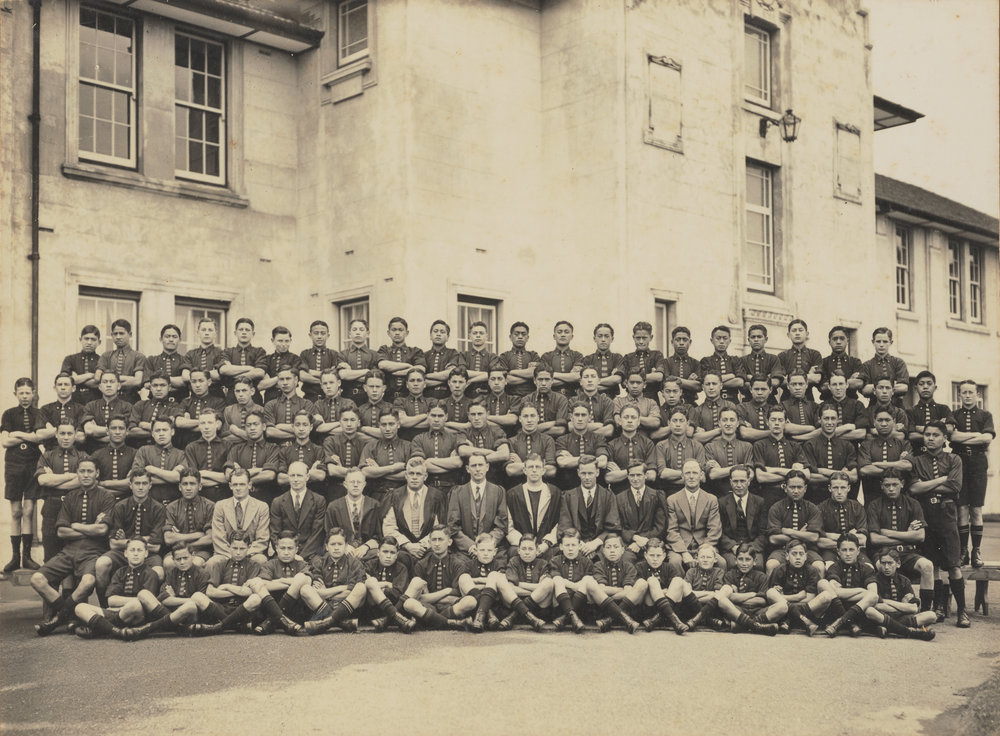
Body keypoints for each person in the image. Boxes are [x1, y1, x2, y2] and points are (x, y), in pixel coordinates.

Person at [30, 458, 115, 635]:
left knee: (88, 581)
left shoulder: (106, 496)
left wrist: (75, 526)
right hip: (68, 551)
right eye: (82, 471)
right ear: (77, 474)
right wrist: (89, 529)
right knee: (36, 579)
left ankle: (58, 619)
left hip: (93, 552)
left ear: (97, 473)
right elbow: (61, 532)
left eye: (89, 471)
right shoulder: (70, 497)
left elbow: (102, 529)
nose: (85, 475)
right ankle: (69, 616)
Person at [909, 421, 969, 627]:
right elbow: (914, 489)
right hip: (926, 514)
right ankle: (938, 607)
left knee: (953, 565)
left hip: (947, 515)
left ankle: (962, 611)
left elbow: (954, 485)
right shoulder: (917, 461)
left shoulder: (954, 459)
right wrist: (940, 480)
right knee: (932, 565)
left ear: (944, 438)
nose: (931, 438)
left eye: (936, 435)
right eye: (927, 434)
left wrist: (928, 485)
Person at [865, 470, 935, 614]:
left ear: (902, 484)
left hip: (907, 553)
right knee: (880, 567)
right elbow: (875, 539)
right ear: (881, 486)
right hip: (883, 552)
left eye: (895, 484)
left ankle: (925, 610)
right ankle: (887, 610)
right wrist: (908, 534)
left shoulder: (913, 504)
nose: (891, 488)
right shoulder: (874, 505)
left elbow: (920, 536)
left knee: (927, 566)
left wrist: (888, 532)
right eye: (887, 485)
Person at [94, 468, 166, 604]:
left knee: (159, 572)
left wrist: (127, 540)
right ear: (130, 485)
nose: (140, 487)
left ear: (150, 485)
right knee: (101, 564)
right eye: (137, 483)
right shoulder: (120, 506)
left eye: (144, 483)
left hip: (148, 554)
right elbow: (113, 544)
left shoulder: (158, 508)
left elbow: (155, 547)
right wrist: (145, 538)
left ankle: (150, 609)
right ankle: (105, 606)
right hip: (122, 553)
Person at [73, 536, 160, 640]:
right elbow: (111, 600)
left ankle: (100, 629)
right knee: (80, 607)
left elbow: (145, 603)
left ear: (146, 553)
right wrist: (119, 607)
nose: (135, 553)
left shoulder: (150, 574)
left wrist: (121, 606)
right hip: (116, 613)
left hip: (137, 615)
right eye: (132, 550)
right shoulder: (120, 572)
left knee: (135, 605)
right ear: (125, 553)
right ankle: (116, 631)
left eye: (139, 550)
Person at [397, 525, 477, 631]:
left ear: (449, 542)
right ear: (429, 543)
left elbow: (456, 595)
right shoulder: (421, 564)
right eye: (434, 540)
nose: (437, 544)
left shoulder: (458, 564)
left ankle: (433, 621)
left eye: (441, 539)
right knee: (409, 603)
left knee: (470, 601)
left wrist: (433, 597)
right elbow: (420, 597)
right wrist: (446, 591)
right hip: (427, 607)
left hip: (450, 607)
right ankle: (450, 623)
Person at [186, 530, 265, 636]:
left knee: (255, 599)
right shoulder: (220, 565)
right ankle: (236, 625)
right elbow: (210, 592)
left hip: (243, 607)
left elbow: (248, 592)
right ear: (229, 547)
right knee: (197, 596)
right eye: (234, 548)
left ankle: (218, 627)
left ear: (249, 547)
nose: (238, 552)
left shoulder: (254, 565)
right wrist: (238, 590)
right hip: (222, 608)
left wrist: (226, 586)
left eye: (242, 549)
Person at [2, 378, 45, 571]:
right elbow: (4, 441)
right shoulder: (9, 414)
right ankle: (15, 557)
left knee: (28, 511)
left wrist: (16, 434)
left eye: (28, 393)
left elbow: (39, 437)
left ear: (34, 393)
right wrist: (28, 436)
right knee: (16, 512)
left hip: (32, 464)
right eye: (21, 393)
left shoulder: (39, 413)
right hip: (13, 465)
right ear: (15, 394)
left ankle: (27, 557)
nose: (25, 396)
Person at [950, 379, 994, 568]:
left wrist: (964, 437)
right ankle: (963, 552)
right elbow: (952, 436)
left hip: (977, 463)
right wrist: (977, 437)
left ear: (978, 395)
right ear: (959, 395)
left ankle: (976, 551)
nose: (967, 396)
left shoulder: (985, 415)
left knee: (976, 509)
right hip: (958, 463)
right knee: (961, 509)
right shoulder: (954, 415)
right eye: (964, 392)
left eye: (971, 393)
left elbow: (988, 437)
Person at [34, 422, 88, 561]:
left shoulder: (83, 456)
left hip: (76, 506)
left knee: (75, 554)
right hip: (52, 507)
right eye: (62, 433)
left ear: (75, 435)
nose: (66, 437)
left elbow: (83, 481)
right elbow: (43, 481)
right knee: (50, 554)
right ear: (56, 435)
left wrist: (54, 481)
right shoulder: (47, 456)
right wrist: (69, 476)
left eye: (69, 434)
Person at [299, 527, 368, 634]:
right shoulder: (319, 563)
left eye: (340, 544)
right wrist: (342, 588)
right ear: (326, 547)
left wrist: (326, 592)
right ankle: (342, 623)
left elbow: (352, 591)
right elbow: (316, 592)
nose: (336, 548)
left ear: (346, 546)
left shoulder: (354, 563)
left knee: (361, 588)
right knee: (305, 589)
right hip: (324, 605)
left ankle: (325, 623)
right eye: (333, 544)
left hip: (347, 607)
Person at [381, 458, 447, 569]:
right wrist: (408, 545)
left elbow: (439, 528)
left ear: (425, 476)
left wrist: (422, 545)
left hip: (428, 547)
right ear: (406, 475)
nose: (414, 477)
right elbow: (389, 527)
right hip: (403, 547)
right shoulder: (395, 496)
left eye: (418, 474)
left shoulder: (436, 496)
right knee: (401, 559)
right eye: (411, 473)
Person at [664, 459, 723, 578]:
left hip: (704, 544)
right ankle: (681, 591)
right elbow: (672, 530)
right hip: (679, 547)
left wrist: (705, 548)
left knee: (721, 562)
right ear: (682, 476)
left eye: (695, 473)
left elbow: (714, 528)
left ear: (701, 475)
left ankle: (713, 590)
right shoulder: (672, 500)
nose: (691, 477)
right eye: (687, 473)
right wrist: (684, 553)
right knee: (675, 562)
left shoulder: (711, 499)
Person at [205, 468, 270, 575]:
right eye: (235, 485)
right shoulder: (220, 506)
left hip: (251, 554)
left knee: (261, 560)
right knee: (212, 563)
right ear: (230, 486)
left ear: (249, 485)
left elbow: (262, 539)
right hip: (225, 553)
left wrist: (243, 554)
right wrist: (233, 555)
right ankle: (212, 590)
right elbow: (218, 538)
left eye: (242, 484)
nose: (238, 488)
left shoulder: (261, 507)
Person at [863, 548, 937, 640]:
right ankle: (907, 631)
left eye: (890, 563)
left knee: (932, 616)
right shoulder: (874, 580)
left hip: (898, 618)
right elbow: (877, 606)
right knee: (870, 611)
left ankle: (888, 629)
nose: (886, 567)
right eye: (883, 563)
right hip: (882, 616)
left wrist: (886, 601)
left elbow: (913, 608)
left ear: (898, 564)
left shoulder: (904, 581)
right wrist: (903, 605)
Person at [245, 531, 310, 635]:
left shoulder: (301, 564)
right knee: (257, 583)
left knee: (301, 578)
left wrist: (279, 581)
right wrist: (294, 584)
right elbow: (263, 584)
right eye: (282, 548)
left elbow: (307, 580)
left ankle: (271, 621)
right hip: (271, 606)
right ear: (276, 548)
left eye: (290, 548)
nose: (286, 552)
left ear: (296, 549)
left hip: (295, 612)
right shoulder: (270, 564)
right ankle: (280, 620)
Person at [764, 538, 833, 636]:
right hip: (785, 610)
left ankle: (789, 620)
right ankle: (802, 620)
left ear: (806, 556)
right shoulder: (780, 570)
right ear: (787, 556)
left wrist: (785, 598)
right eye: (794, 554)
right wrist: (797, 597)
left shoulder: (811, 570)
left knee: (826, 596)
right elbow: (773, 597)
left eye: (801, 554)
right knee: (771, 592)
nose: (798, 557)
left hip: (806, 610)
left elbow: (810, 597)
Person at [447, 454, 509, 561]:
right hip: (465, 552)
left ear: (487, 467)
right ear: (468, 469)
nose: (477, 469)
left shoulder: (498, 491)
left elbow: (502, 524)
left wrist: (486, 546)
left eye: (480, 465)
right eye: (474, 465)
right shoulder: (457, 492)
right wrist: (470, 546)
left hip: (491, 550)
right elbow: (452, 526)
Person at [764, 470, 825, 578]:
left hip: (807, 550)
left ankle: (817, 593)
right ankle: (770, 593)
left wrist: (788, 531)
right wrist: (802, 535)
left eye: (799, 487)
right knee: (771, 565)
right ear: (785, 487)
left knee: (819, 566)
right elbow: (773, 538)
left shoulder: (812, 508)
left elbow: (814, 537)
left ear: (805, 488)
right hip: (783, 550)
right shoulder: (776, 508)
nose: (796, 491)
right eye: (792, 487)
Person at [816, 532, 878, 637]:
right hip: (836, 610)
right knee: (823, 583)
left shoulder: (867, 569)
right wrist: (861, 591)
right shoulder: (834, 567)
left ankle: (842, 621)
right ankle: (849, 623)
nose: (848, 554)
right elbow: (834, 591)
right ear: (838, 552)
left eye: (851, 550)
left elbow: (873, 593)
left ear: (858, 551)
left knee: (873, 596)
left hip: (858, 611)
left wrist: (844, 594)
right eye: (844, 550)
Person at [558, 456, 621, 559]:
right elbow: (565, 526)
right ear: (578, 473)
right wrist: (581, 545)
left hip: (601, 545)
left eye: (590, 473)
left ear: (597, 472)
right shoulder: (568, 496)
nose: (587, 477)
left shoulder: (608, 496)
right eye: (583, 473)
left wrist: (595, 543)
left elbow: (613, 527)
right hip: (576, 545)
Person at [715, 542, 782, 634]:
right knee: (722, 601)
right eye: (740, 559)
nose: (744, 563)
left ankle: (743, 625)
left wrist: (738, 597)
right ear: (735, 560)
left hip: (759, 611)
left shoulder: (761, 576)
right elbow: (730, 598)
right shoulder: (730, 575)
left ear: (754, 561)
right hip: (738, 610)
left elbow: (762, 601)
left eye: (748, 559)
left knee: (782, 607)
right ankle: (756, 626)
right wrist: (753, 594)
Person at [751, 406, 808, 510]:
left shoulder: (794, 446)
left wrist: (773, 470)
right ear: (767, 422)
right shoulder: (759, 445)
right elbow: (761, 477)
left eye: (780, 420)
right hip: (769, 495)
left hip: (792, 495)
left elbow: (807, 475)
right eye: (773, 420)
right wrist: (792, 474)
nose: (776, 423)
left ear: (785, 423)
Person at [505, 453, 562, 559]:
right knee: (512, 553)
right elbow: (508, 526)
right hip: (522, 547)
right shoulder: (513, 494)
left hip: (546, 547)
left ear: (543, 470)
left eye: (538, 467)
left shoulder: (555, 493)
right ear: (524, 470)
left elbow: (560, 523)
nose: (534, 470)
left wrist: (546, 543)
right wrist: (525, 545)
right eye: (531, 467)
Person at [270, 461, 326, 562]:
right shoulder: (277, 502)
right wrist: (288, 553)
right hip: (285, 552)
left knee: (318, 564)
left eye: (299, 475)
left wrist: (302, 556)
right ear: (288, 477)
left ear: (307, 477)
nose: (295, 479)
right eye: (292, 475)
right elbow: (275, 533)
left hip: (310, 553)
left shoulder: (319, 500)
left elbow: (317, 533)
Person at [801, 404, 858, 504]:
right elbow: (810, 477)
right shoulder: (809, 445)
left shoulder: (847, 446)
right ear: (819, 420)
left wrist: (821, 471)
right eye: (826, 418)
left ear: (838, 420)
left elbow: (853, 477)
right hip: (816, 499)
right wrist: (841, 474)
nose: (830, 422)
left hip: (841, 499)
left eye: (833, 418)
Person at [411, 402, 467, 503]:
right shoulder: (418, 439)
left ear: (446, 417)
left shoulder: (455, 438)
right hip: (427, 489)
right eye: (433, 415)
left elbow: (458, 463)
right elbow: (421, 466)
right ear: (427, 416)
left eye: (440, 416)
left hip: (452, 489)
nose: (436, 419)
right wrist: (449, 465)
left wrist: (430, 461)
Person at [359, 408, 417, 504]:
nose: (387, 429)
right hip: (377, 497)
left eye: (391, 424)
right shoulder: (371, 446)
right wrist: (393, 468)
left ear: (398, 424)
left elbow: (410, 474)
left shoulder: (408, 446)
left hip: (404, 496)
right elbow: (365, 472)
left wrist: (378, 471)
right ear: (379, 426)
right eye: (383, 425)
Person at [223, 409, 280, 506]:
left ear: (264, 426)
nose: (252, 428)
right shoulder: (236, 449)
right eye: (248, 425)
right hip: (240, 499)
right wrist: (257, 470)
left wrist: (240, 474)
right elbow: (228, 474)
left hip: (265, 497)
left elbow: (269, 475)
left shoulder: (273, 448)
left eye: (255, 424)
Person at [325, 468, 382, 562]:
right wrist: (345, 546)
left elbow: (379, 535)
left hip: (368, 552)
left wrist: (366, 547)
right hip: (342, 550)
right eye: (352, 482)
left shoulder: (374, 505)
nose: (355, 485)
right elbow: (329, 534)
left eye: (359, 482)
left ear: (364, 484)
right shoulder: (334, 507)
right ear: (345, 484)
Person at [615, 460, 666, 565]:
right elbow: (618, 526)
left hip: (652, 543)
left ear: (645, 475)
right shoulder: (619, 498)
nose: (635, 479)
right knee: (625, 560)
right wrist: (635, 538)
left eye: (639, 475)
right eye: (632, 475)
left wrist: (643, 541)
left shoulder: (657, 496)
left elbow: (660, 526)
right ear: (628, 476)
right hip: (629, 543)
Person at [363, 536, 418, 633]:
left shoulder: (401, 568)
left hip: (394, 604)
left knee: (372, 583)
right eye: (385, 552)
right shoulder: (369, 565)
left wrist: (378, 588)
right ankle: (397, 617)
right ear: (378, 552)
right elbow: (363, 585)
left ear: (397, 555)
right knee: (370, 582)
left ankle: (388, 618)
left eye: (392, 553)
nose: (388, 556)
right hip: (373, 610)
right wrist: (387, 584)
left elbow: (398, 593)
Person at [857, 408, 912, 505]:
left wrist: (877, 464)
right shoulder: (866, 445)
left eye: (887, 420)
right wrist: (896, 465)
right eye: (880, 420)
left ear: (894, 422)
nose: (883, 424)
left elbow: (907, 466)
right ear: (874, 423)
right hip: (872, 498)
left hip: (900, 501)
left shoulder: (904, 444)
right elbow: (864, 470)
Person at [717, 465, 767, 570]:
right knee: (731, 564)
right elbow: (719, 532)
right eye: (735, 481)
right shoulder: (722, 502)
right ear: (730, 482)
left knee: (757, 565)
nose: (739, 485)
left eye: (742, 481)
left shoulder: (759, 502)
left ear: (749, 481)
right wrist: (733, 547)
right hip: (731, 548)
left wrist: (751, 549)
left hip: (753, 546)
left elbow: (763, 533)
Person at [163, 469, 215, 569]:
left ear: (199, 486)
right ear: (179, 487)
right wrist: (197, 535)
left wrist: (180, 539)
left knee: (196, 563)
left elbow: (210, 538)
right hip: (177, 551)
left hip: (202, 550)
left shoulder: (210, 506)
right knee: (168, 563)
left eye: (192, 484)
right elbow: (168, 538)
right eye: (185, 484)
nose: (188, 488)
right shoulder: (171, 507)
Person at [590, 533, 642, 633]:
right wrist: (622, 590)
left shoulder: (629, 566)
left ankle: (610, 620)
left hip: (625, 605)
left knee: (642, 584)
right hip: (604, 609)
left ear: (623, 550)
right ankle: (622, 618)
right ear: (603, 551)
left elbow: (629, 590)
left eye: (616, 547)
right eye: (608, 547)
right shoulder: (598, 566)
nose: (612, 550)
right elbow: (601, 589)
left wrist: (612, 596)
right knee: (590, 584)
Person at [547, 528, 595, 633]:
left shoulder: (587, 562)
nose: (570, 549)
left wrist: (572, 585)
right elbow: (555, 577)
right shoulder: (555, 561)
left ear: (579, 546)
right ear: (561, 546)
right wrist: (575, 585)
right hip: (560, 604)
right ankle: (571, 615)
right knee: (558, 580)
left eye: (573, 545)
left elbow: (588, 583)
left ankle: (566, 617)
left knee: (587, 579)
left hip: (581, 605)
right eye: (567, 545)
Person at [816, 472, 869, 565]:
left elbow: (862, 540)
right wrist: (849, 536)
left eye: (843, 488)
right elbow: (820, 542)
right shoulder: (820, 508)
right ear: (829, 488)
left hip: (855, 551)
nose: (839, 492)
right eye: (835, 488)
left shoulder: (857, 507)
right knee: (829, 567)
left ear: (848, 488)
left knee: (868, 567)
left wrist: (830, 536)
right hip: (830, 551)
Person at [129, 417, 185, 503]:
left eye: (165, 430)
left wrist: (152, 469)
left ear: (172, 432)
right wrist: (170, 478)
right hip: (148, 504)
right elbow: (137, 478)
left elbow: (179, 478)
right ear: (152, 434)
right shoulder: (144, 451)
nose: (161, 434)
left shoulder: (181, 454)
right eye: (157, 430)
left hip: (174, 504)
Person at [554, 402, 608, 490]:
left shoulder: (598, 438)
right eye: (577, 415)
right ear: (571, 417)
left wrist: (573, 459)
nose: (580, 419)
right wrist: (594, 459)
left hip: (595, 489)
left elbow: (603, 462)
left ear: (589, 418)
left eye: (583, 415)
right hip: (569, 489)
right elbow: (562, 462)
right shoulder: (562, 440)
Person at [702, 407, 754, 497]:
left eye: (732, 420)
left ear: (737, 423)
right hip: (718, 495)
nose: (728, 424)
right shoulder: (710, 447)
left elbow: (750, 474)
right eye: (724, 420)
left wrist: (721, 470)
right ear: (719, 423)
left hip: (742, 496)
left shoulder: (747, 446)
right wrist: (741, 467)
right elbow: (713, 475)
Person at [604, 406, 656, 492]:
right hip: (619, 494)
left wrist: (621, 473)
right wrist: (640, 470)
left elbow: (652, 476)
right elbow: (608, 478)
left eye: (633, 417)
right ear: (620, 421)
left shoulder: (648, 443)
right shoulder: (611, 445)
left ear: (638, 421)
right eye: (626, 417)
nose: (629, 420)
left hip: (643, 493)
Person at [274, 410, 327, 496]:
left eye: (305, 425)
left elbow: (321, 476)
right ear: (293, 427)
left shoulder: (318, 450)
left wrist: (291, 476)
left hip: (314, 496)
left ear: (311, 427)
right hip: (289, 496)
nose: (301, 429)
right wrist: (310, 473)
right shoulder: (285, 451)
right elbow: (281, 479)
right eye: (297, 425)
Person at [93, 319, 146, 403]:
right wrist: (126, 379)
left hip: (131, 399)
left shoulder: (138, 356)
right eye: (115, 334)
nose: (118, 337)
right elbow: (97, 378)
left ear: (130, 334)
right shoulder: (106, 356)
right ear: (111, 335)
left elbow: (137, 381)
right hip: (109, 400)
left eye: (121, 333)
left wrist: (110, 381)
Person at [322, 408, 370, 501]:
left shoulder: (366, 443)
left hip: (361, 490)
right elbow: (332, 471)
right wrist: (356, 471)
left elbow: (367, 471)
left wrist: (341, 469)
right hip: (336, 489)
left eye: (352, 420)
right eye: (345, 420)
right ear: (340, 422)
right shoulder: (330, 441)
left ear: (358, 423)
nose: (349, 424)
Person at [182, 409, 230, 503]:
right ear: (199, 426)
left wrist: (204, 473)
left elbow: (231, 477)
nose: (206, 427)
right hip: (201, 498)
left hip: (225, 496)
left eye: (210, 423)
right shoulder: (191, 447)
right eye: (203, 423)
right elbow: (194, 479)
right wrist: (222, 479)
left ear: (217, 424)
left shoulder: (228, 445)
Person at [654, 408, 705, 495]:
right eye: (674, 421)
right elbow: (662, 473)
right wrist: (690, 474)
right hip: (668, 492)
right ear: (669, 423)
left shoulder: (697, 446)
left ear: (687, 423)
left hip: (693, 492)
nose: (678, 424)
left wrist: (673, 476)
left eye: (681, 421)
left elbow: (701, 477)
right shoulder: (661, 446)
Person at [376, 317, 426, 402]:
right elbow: (382, 365)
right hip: (387, 399)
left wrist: (392, 371)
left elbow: (421, 369)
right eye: (394, 330)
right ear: (388, 333)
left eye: (400, 330)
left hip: (409, 398)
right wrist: (408, 366)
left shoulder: (415, 351)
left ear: (406, 333)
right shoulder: (384, 349)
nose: (397, 333)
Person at [81, 371, 132, 454]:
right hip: (93, 451)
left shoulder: (127, 407)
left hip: (120, 452)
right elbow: (89, 430)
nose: (108, 385)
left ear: (118, 386)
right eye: (105, 382)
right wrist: (114, 432)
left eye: (112, 382)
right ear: (100, 387)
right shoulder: (91, 406)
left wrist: (96, 435)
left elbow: (125, 434)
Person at [173, 369, 226, 449]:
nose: (197, 385)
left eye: (201, 381)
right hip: (186, 444)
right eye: (194, 381)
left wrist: (188, 425)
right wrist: (207, 423)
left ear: (209, 382)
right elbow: (179, 423)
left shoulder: (218, 402)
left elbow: (217, 426)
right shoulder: (185, 402)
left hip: (211, 446)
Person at [505, 403, 557, 483]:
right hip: (518, 487)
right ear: (520, 419)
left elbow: (552, 471)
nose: (529, 420)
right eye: (525, 416)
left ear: (538, 418)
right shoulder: (511, 441)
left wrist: (522, 464)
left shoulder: (547, 440)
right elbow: (510, 470)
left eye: (532, 416)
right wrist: (540, 466)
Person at [219, 317, 267, 402]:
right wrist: (250, 368)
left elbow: (260, 372)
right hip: (232, 397)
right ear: (235, 333)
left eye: (247, 330)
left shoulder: (259, 351)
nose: (244, 332)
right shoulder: (228, 352)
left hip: (254, 397)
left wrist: (232, 371)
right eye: (241, 329)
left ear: (253, 333)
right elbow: (223, 370)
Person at [87, 414, 136, 499]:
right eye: (113, 428)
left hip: (128, 501)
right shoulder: (97, 455)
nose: (117, 432)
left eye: (121, 428)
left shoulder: (135, 454)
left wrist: (104, 483)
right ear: (107, 431)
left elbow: (135, 483)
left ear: (127, 431)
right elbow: (91, 483)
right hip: (101, 500)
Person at [126, 372, 180, 446]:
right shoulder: (140, 405)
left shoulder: (175, 407)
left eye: (162, 385)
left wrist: (144, 425)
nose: (158, 389)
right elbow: (131, 431)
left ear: (169, 387)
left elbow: (171, 432)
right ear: (150, 388)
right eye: (155, 385)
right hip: (140, 448)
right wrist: (159, 431)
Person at [906, 370, 954, 454]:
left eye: (929, 383)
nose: (925, 387)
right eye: (921, 384)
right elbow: (912, 435)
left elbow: (949, 429)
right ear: (915, 388)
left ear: (935, 388)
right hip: (918, 455)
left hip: (939, 455)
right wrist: (939, 428)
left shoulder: (943, 409)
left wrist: (919, 428)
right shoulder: (911, 411)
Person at [263, 370, 316, 442]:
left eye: (288, 379)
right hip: (277, 449)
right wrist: (297, 435)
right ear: (278, 382)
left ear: (296, 380)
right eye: (281, 379)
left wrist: (279, 426)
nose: (285, 383)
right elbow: (270, 432)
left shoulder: (307, 404)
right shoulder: (271, 405)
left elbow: (308, 430)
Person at [859, 327, 909, 405]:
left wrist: (877, 388)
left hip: (896, 407)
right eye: (878, 341)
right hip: (874, 408)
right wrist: (892, 387)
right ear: (873, 342)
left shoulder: (898, 362)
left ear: (891, 342)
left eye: (885, 341)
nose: (881, 345)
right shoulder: (867, 365)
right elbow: (864, 390)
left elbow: (904, 387)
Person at [617, 321, 665, 400]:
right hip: (631, 398)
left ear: (651, 337)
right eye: (638, 338)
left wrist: (633, 379)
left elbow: (659, 377)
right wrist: (650, 376)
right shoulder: (628, 357)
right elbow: (623, 382)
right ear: (633, 337)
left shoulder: (657, 355)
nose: (641, 341)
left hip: (652, 397)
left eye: (644, 338)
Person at [38, 373, 86, 449]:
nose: (63, 388)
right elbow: (40, 435)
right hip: (51, 453)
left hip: (75, 454)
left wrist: (53, 431)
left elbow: (81, 437)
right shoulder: (46, 409)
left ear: (73, 388)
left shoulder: (81, 409)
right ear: (55, 388)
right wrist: (70, 432)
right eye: (60, 385)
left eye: (66, 384)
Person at [258, 326, 305, 404]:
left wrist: (271, 381)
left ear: (290, 341)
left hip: (290, 400)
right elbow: (261, 386)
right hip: (269, 400)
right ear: (272, 341)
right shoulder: (267, 359)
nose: (283, 344)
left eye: (287, 341)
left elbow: (293, 383)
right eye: (280, 341)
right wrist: (284, 377)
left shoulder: (295, 359)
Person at [299, 320, 342, 402]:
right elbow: (302, 376)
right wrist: (325, 380)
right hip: (309, 398)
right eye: (316, 333)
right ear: (310, 335)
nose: (319, 336)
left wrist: (311, 372)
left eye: (323, 333)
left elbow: (334, 375)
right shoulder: (305, 354)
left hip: (329, 398)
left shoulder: (334, 354)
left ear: (327, 335)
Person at [777, 319, 823, 395]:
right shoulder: (782, 356)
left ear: (807, 333)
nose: (797, 333)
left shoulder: (814, 354)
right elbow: (780, 381)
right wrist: (808, 376)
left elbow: (817, 379)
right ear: (788, 335)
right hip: (786, 398)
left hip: (808, 398)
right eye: (794, 330)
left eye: (800, 330)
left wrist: (789, 378)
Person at [700, 325, 744, 404]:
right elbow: (706, 381)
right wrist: (731, 376)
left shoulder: (735, 360)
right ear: (712, 340)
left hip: (733, 402)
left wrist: (715, 382)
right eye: (718, 338)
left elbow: (740, 382)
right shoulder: (706, 361)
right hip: (713, 402)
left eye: (725, 338)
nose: (721, 341)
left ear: (729, 341)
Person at [688, 373, 736, 445]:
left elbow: (735, 434)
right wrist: (720, 430)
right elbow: (696, 438)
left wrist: (706, 435)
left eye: (714, 384)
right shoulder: (697, 410)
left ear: (721, 386)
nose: (711, 387)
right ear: (703, 387)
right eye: (707, 384)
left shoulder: (730, 405)